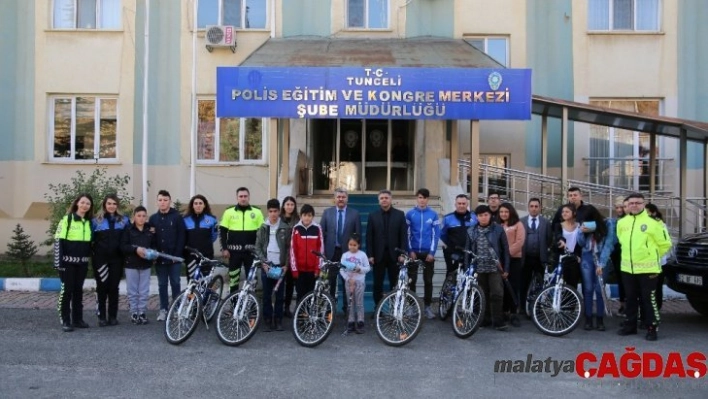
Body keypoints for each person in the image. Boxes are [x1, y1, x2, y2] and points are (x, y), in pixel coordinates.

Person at [617, 193, 672, 341]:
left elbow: (665, 244)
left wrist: (651, 255)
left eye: (638, 203)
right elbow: (622, 241)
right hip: (628, 268)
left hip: (648, 269)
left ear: (643, 204)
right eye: (631, 203)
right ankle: (630, 326)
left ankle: (652, 327)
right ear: (627, 205)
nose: (634, 205)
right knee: (630, 298)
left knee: (649, 299)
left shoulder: (655, 222)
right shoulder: (622, 222)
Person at [465, 205, 510, 331]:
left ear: (490, 216)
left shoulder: (498, 230)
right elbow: (467, 251)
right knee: (481, 294)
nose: (483, 218)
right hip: (478, 268)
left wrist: (506, 268)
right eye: (480, 216)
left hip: (495, 267)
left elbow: (506, 250)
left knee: (497, 293)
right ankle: (484, 319)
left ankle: (498, 320)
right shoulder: (471, 231)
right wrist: (467, 268)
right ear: (477, 217)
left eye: (486, 215)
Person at [54, 193, 94, 332]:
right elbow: (58, 240)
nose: (85, 205)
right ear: (77, 203)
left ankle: (77, 319)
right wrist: (58, 263)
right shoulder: (67, 219)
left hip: (82, 263)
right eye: (82, 202)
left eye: (88, 204)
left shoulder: (89, 223)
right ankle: (65, 319)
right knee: (67, 291)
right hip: (67, 263)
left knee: (78, 291)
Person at [91, 194, 130, 327]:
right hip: (100, 260)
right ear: (104, 205)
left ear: (117, 205)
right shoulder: (96, 221)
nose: (112, 206)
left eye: (114, 203)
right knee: (102, 288)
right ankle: (102, 317)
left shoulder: (124, 220)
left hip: (117, 260)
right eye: (109, 203)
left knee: (114, 288)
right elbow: (90, 240)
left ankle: (113, 316)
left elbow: (130, 237)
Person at [320, 188, 361, 313]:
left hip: (347, 254)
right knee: (330, 282)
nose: (341, 199)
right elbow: (322, 233)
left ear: (347, 198)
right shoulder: (327, 213)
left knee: (347, 282)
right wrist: (322, 253)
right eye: (338, 197)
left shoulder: (354, 214)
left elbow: (358, 235)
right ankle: (329, 309)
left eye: (343, 197)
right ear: (335, 198)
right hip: (331, 253)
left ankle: (347, 308)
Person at [366, 190, 408, 308]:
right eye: (382, 198)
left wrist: (403, 253)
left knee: (394, 284)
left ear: (391, 199)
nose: (384, 200)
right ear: (379, 201)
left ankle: (394, 309)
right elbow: (369, 237)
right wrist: (370, 255)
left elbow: (403, 236)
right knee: (377, 284)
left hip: (395, 255)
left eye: (386, 198)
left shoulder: (400, 215)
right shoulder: (372, 215)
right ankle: (377, 308)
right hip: (378, 256)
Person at [149, 190, 186, 322]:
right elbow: (151, 238)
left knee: (175, 283)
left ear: (170, 201)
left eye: (165, 200)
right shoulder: (153, 218)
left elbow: (182, 236)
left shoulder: (177, 217)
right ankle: (163, 310)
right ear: (157, 201)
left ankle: (177, 310)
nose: (162, 202)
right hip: (159, 258)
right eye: (160, 200)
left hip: (174, 259)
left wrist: (176, 255)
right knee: (162, 284)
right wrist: (153, 253)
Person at [255, 199, 291, 332]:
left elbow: (288, 248)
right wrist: (263, 262)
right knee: (267, 294)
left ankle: (278, 319)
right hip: (267, 266)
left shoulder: (285, 228)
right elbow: (258, 246)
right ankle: (268, 319)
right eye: (270, 211)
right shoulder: (263, 227)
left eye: (275, 211)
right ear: (267, 212)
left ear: (279, 211)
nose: (273, 214)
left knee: (280, 295)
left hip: (279, 266)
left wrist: (286, 265)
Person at [220, 187, 264, 294]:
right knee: (233, 280)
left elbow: (262, 234)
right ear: (237, 198)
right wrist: (224, 248)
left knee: (252, 281)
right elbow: (223, 231)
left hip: (251, 253)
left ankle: (251, 307)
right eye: (241, 196)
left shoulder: (257, 212)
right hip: (234, 253)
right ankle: (234, 306)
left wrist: (260, 251)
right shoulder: (229, 212)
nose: (243, 198)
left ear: (249, 197)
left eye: (245, 196)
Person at [406, 188, 441, 320]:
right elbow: (407, 233)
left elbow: (435, 235)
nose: (422, 200)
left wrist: (432, 252)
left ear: (428, 199)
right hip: (413, 252)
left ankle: (427, 307)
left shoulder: (433, 215)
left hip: (428, 253)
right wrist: (410, 250)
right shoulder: (410, 214)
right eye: (420, 197)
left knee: (428, 280)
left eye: (425, 198)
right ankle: (412, 307)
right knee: (412, 281)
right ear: (417, 198)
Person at [576, 206, 611, 331]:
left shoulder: (607, 224)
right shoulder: (584, 226)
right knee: (588, 289)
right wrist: (581, 231)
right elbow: (580, 243)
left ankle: (600, 319)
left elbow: (608, 245)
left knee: (599, 289)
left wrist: (601, 263)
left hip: (601, 257)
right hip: (587, 257)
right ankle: (588, 318)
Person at [121, 206, 155, 325]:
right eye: (138, 216)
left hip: (145, 264)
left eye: (143, 216)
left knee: (144, 290)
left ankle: (142, 312)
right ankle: (134, 312)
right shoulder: (128, 230)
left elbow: (154, 246)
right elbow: (123, 246)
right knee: (133, 290)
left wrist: (152, 253)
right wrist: (136, 250)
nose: (141, 218)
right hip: (131, 264)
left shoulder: (150, 231)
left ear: (146, 217)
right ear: (134, 217)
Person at [520, 198, 552, 317]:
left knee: (540, 284)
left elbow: (549, 239)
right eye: (532, 206)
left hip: (540, 258)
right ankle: (522, 308)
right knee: (524, 283)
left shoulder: (545, 222)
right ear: (528, 208)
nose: (534, 208)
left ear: (540, 208)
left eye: (536, 206)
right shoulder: (521, 221)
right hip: (525, 258)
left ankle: (537, 308)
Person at [499, 202, 525, 327]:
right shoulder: (496, 225)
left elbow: (520, 242)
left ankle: (514, 313)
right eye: (501, 212)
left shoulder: (518, 224)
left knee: (513, 286)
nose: (503, 214)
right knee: (502, 287)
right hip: (500, 261)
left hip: (514, 259)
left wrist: (507, 254)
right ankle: (504, 312)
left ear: (511, 212)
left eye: (506, 212)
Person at [290, 204, 324, 299]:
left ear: (312, 216)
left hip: (312, 270)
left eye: (309, 215)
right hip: (299, 270)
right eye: (304, 215)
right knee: (300, 295)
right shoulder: (296, 229)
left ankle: (309, 314)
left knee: (311, 295)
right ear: (301, 216)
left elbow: (320, 249)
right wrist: (294, 269)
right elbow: (293, 250)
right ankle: (300, 313)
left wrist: (317, 269)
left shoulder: (317, 228)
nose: (307, 218)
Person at [340, 233, 371, 334]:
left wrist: (360, 269)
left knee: (359, 302)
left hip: (359, 282)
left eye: (354, 245)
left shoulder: (362, 255)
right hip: (349, 283)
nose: (352, 247)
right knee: (350, 303)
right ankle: (351, 321)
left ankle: (360, 321)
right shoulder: (345, 256)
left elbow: (367, 267)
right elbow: (342, 269)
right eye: (350, 245)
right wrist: (347, 279)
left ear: (359, 245)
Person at [183, 194, 219, 281]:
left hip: (206, 255)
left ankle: (204, 295)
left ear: (204, 205)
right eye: (195, 203)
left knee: (205, 281)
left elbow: (213, 236)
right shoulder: (185, 220)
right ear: (192, 205)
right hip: (191, 256)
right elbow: (183, 237)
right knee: (192, 281)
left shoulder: (212, 219)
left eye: (200, 203)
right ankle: (192, 295)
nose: (198, 205)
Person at [440, 194, 477, 275]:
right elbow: (443, 235)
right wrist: (451, 245)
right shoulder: (447, 218)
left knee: (470, 276)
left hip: (470, 252)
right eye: (459, 203)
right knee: (451, 275)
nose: (461, 206)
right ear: (455, 204)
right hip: (453, 252)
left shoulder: (474, 218)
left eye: (463, 203)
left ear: (467, 204)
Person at [645, 203, 670, 311]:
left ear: (653, 213)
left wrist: (654, 257)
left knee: (656, 288)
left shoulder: (660, 225)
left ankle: (655, 312)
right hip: (645, 263)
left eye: (647, 212)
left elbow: (665, 244)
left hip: (658, 263)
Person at [554, 204, 582, 289]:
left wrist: (578, 255)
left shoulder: (580, 226)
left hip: (574, 258)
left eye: (567, 211)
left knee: (572, 285)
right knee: (559, 285)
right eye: (563, 212)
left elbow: (581, 242)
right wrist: (561, 241)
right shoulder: (559, 225)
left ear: (573, 213)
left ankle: (573, 302)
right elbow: (558, 235)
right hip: (562, 257)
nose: (564, 213)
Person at [280, 196, 299, 317]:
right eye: (287, 204)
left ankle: (287, 307)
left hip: (293, 256)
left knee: (290, 284)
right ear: (283, 206)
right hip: (280, 255)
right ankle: (278, 307)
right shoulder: (279, 219)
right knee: (280, 282)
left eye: (292, 204)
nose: (289, 207)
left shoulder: (298, 220)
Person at [609, 196, 627, 315]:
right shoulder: (616, 220)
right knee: (621, 280)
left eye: (621, 207)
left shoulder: (628, 220)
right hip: (617, 254)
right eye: (617, 207)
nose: (619, 210)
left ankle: (628, 306)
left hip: (626, 254)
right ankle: (623, 305)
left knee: (626, 281)